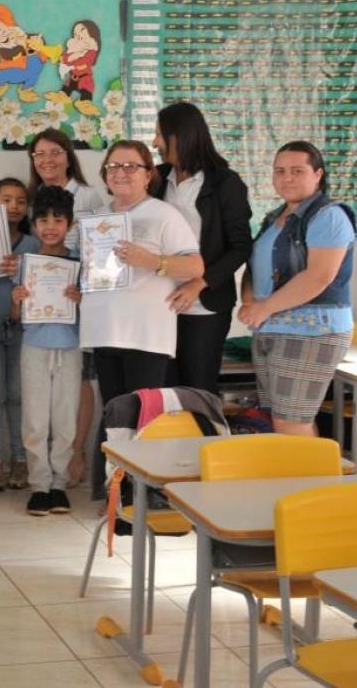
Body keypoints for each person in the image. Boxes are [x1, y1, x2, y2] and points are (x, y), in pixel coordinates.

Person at [82, 141, 204, 490]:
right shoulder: (97, 219)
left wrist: (152, 261)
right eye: (113, 166)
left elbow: (195, 266)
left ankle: (144, 494)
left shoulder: (164, 214)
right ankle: (116, 494)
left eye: (131, 166)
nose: (120, 173)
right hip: (104, 331)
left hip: (145, 334)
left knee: (144, 419)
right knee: (114, 417)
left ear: (148, 174)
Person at [239, 141, 355, 436]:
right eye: (279, 171)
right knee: (280, 420)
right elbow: (255, 267)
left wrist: (264, 307)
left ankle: (313, 469)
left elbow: (319, 277)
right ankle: (299, 468)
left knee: (291, 422)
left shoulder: (328, 215)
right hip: (271, 328)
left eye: (296, 171)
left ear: (318, 174)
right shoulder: (274, 218)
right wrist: (250, 302)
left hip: (311, 330)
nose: (286, 178)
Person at [153, 102, 253, 395]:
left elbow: (241, 247)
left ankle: (206, 429)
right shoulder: (157, 179)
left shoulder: (225, 183)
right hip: (160, 305)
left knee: (198, 391)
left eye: (159, 135)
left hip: (205, 306)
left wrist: (199, 283)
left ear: (179, 136)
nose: (155, 143)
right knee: (164, 392)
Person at [25, 128, 104, 485]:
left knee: (70, 404)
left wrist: (83, 294)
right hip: (39, 333)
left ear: (69, 155)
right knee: (38, 414)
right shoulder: (34, 202)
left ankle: (68, 466)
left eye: (55, 152)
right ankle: (42, 480)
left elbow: (101, 246)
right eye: (39, 154)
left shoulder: (89, 195)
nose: (47, 160)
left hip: (75, 323)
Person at [10, 187, 84, 516]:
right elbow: (15, 316)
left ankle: (59, 485)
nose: (50, 226)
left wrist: (80, 299)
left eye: (58, 220)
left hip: (70, 347)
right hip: (34, 347)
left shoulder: (80, 263)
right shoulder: (25, 264)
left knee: (65, 419)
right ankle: (39, 485)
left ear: (70, 224)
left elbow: (92, 309)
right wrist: (17, 300)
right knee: (35, 420)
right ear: (34, 223)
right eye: (43, 220)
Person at [0, 178, 38, 492]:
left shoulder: (33, 244)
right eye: (6, 200)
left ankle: (20, 460)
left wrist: (22, 270)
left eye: (20, 201)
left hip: (22, 328)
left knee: (17, 396)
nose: (13, 206)